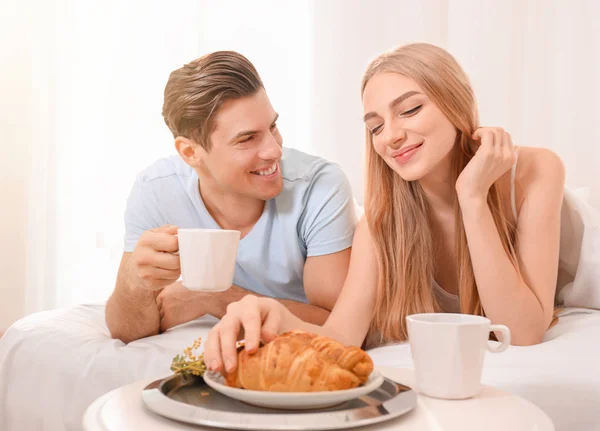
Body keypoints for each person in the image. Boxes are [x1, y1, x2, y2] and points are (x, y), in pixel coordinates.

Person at [204, 43, 567, 374]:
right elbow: (340, 337)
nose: (390, 136)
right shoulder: (382, 222)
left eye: (409, 110)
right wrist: (273, 315)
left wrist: (472, 197)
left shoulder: (537, 171)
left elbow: (522, 332)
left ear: (456, 102)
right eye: (375, 127)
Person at [105, 51, 357, 343]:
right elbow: (126, 332)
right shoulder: (157, 190)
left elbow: (338, 326)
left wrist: (215, 298)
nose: (274, 150)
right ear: (190, 152)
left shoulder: (319, 188)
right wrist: (134, 282)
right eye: (247, 138)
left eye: (272, 126)